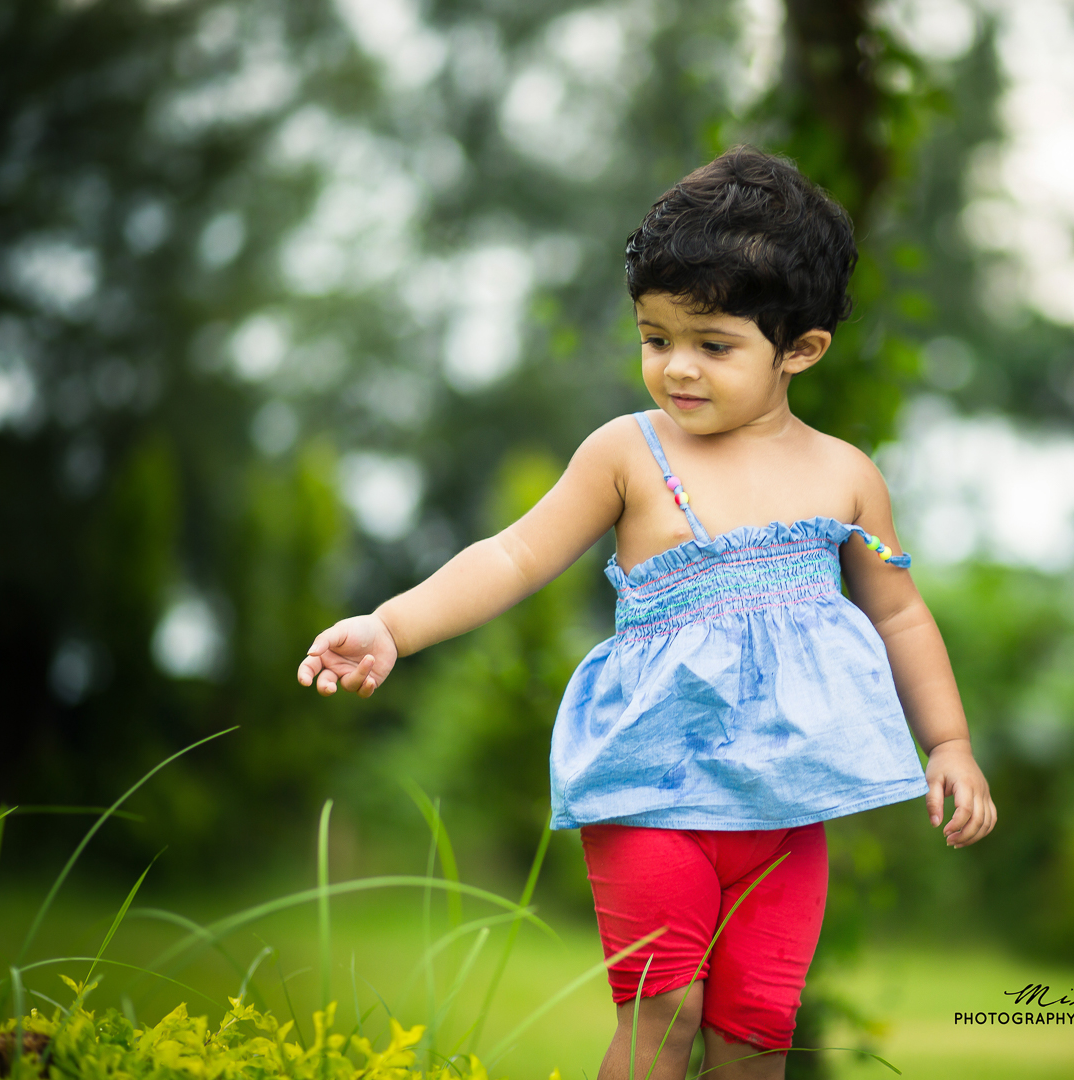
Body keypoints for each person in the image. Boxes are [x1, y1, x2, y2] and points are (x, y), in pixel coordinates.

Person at [297, 145, 996, 1080]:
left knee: (755, 1037)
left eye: (713, 345)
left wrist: (946, 742)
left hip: (787, 811)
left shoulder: (844, 476)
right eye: (655, 337)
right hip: (650, 789)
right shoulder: (627, 453)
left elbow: (900, 616)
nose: (676, 369)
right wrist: (393, 625)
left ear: (800, 349)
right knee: (663, 1017)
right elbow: (514, 555)